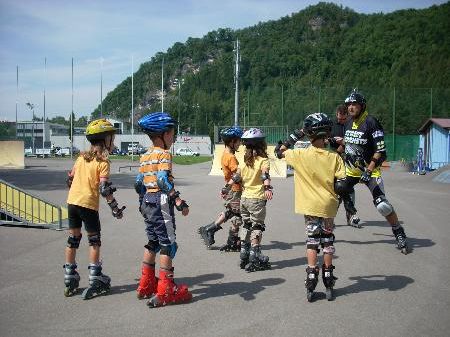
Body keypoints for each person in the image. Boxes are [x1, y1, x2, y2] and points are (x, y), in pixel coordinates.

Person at [275, 113, 354, 301]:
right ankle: (328, 276)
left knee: (312, 241)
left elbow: (279, 151)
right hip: (328, 206)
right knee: (327, 240)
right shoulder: (334, 158)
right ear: (327, 133)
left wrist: (298, 134)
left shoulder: (299, 154)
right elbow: (343, 184)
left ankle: (311, 277)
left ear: (310, 134)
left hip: (309, 206)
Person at [341, 89, 408, 254]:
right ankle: (324, 232)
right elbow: (347, 144)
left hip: (369, 172)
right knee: (336, 190)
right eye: (348, 104)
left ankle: (399, 232)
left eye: (354, 104)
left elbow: (381, 151)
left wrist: (369, 171)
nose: (350, 107)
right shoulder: (348, 123)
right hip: (351, 171)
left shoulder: (371, 122)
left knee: (383, 206)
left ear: (362, 106)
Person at [135, 111, 192, 307]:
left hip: (147, 201)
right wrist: (178, 201)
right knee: (168, 244)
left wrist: (142, 203)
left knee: (152, 241)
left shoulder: (145, 156)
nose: (173, 137)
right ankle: (166, 290)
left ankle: (146, 284)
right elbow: (162, 180)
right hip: (160, 200)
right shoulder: (164, 154)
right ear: (164, 134)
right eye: (172, 133)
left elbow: (138, 183)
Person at [64, 118, 125, 299]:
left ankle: (69, 277)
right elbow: (104, 189)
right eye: (111, 138)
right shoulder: (103, 163)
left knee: (73, 239)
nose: (113, 142)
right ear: (104, 140)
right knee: (94, 241)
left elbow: (70, 180)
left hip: (72, 202)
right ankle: (95, 278)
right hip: (88, 205)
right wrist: (115, 208)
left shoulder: (81, 158)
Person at [198, 126, 243, 251]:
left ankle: (209, 229)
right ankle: (232, 241)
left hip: (231, 190)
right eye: (238, 141)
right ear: (232, 142)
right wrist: (228, 187)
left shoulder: (225, 154)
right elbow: (237, 175)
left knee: (231, 212)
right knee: (237, 215)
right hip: (235, 190)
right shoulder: (231, 157)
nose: (240, 143)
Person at [237, 128, 273, 272]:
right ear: (261, 144)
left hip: (244, 199)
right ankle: (254, 254)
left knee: (246, 225)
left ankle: (243, 252)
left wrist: (226, 188)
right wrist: (267, 188)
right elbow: (265, 175)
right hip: (257, 199)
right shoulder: (263, 160)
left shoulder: (244, 160)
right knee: (256, 226)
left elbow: (236, 177)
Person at [329, 104, 361, 228]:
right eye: (339, 118)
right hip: (334, 158)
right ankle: (330, 219)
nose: (340, 121)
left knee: (348, 188)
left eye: (343, 119)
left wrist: (343, 143)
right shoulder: (332, 125)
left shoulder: (352, 125)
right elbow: (327, 139)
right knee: (335, 189)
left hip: (349, 159)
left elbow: (352, 141)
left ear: (347, 116)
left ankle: (350, 217)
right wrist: (336, 143)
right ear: (337, 115)